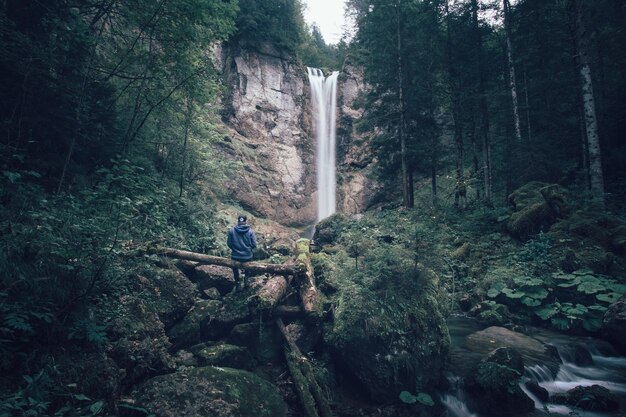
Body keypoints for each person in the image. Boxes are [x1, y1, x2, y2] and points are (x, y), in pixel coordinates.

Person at [227, 215, 257, 291]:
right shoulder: (250, 231)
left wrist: (234, 249)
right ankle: (246, 280)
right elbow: (254, 244)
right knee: (249, 264)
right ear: (245, 221)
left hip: (235, 256)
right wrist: (248, 249)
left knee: (235, 268)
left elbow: (229, 244)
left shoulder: (231, 230)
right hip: (247, 256)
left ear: (238, 221)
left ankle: (238, 283)